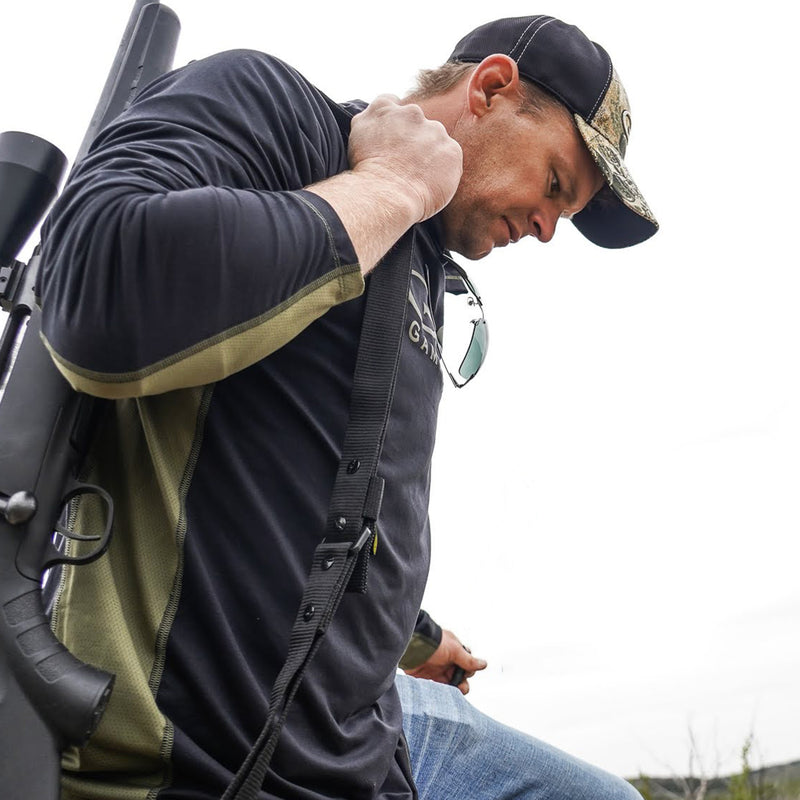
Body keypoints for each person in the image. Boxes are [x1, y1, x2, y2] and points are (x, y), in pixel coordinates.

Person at [38, 13, 657, 800]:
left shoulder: (424, 266)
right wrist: (391, 186)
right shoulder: (279, 113)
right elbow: (97, 283)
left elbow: (296, 496)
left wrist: (417, 637)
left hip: (369, 735)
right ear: (493, 88)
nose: (544, 230)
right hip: (221, 761)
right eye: (555, 185)